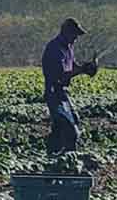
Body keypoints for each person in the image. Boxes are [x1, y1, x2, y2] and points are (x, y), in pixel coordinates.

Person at [41, 18, 97, 154]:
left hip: (62, 92)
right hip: (54, 92)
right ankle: (66, 158)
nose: (76, 38)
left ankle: (53, 156)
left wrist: (86, 68)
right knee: (69, 128)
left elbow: (73, 67)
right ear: (66, 32)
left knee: (69, 123)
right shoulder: (55, 48)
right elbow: (61, 75)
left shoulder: (68, 47)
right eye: (74, 34)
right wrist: (83, 69)